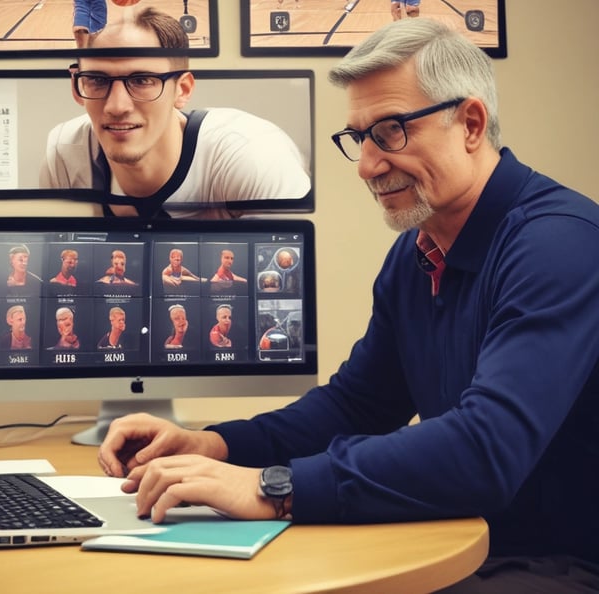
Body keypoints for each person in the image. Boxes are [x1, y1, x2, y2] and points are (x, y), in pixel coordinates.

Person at [96, 18, 599, 592]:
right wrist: (215, 445)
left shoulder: (559, 244)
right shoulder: (417, 251)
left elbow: (487, 449)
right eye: (360, 138)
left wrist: (272, 487)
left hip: (561, 563)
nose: (367, 165)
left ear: (470, 124)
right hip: (463, 538)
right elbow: (356, 406)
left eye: (390, 132)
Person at [39, 7, 311, 219]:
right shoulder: (65, 153)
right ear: (76, 88)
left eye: (142, 80)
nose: (116, 106)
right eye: (97, 80)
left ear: (182, 90)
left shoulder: (251, 156)